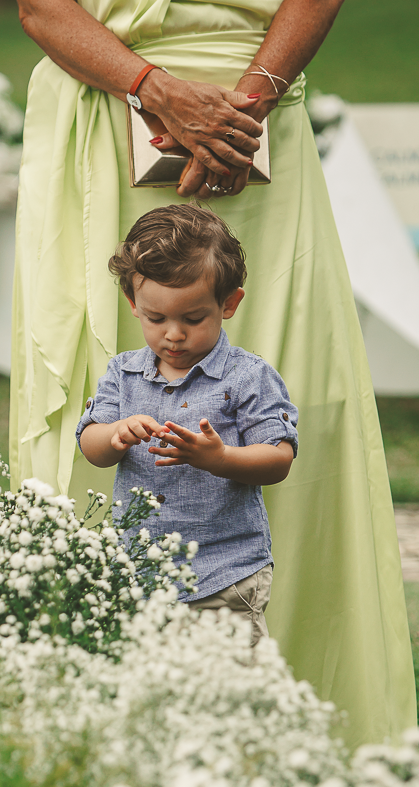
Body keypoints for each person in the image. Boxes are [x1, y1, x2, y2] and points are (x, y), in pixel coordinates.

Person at [10, 0, 417, 747]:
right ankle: (91, 731)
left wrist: (243, 111)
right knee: (94, 372)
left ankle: (312, 713)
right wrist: (153, 88)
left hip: (254, 109)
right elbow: (41, 7)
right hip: (108, 109)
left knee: (296, 381)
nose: (170, 333)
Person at [77, 205, 297, 645]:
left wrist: (219, 458)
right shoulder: (123, 373)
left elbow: (279, 456)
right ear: (134, 305)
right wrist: (115, 435)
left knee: (227, 695)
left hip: (225, 574)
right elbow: (91, 444)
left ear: (228, 303)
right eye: (156, 319)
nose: (173, 334)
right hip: (138, 574)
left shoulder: (247, 376)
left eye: (193, 319)